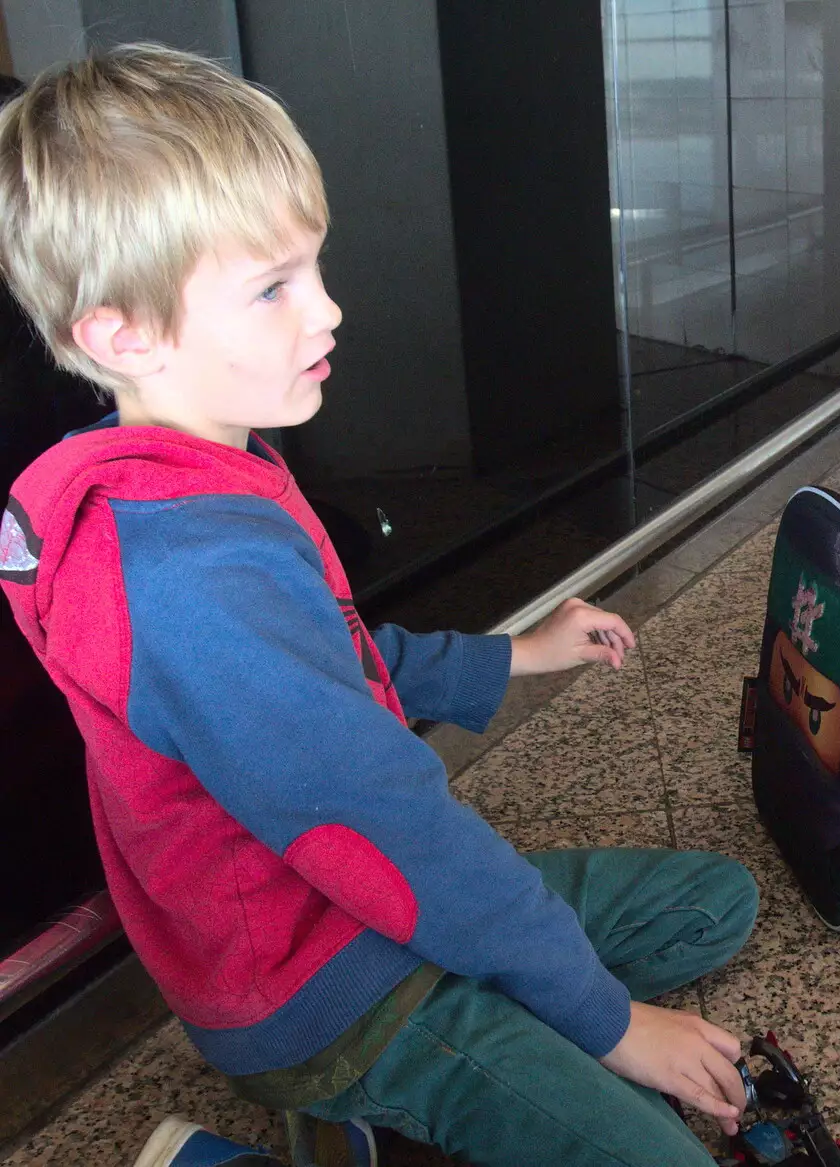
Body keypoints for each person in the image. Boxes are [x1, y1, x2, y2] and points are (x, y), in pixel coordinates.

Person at [0, 45, 758, 1167]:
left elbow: (332, 661)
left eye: (315, 266)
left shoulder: (202, 469)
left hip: (357, 912)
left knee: (713, 904)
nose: (329, 309)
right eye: (274, 287)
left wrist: (509, 659)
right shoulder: (188, 581)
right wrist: (609, 1026)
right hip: (317, 994)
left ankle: (429, 1090)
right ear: (126, 335)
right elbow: (391, 823)